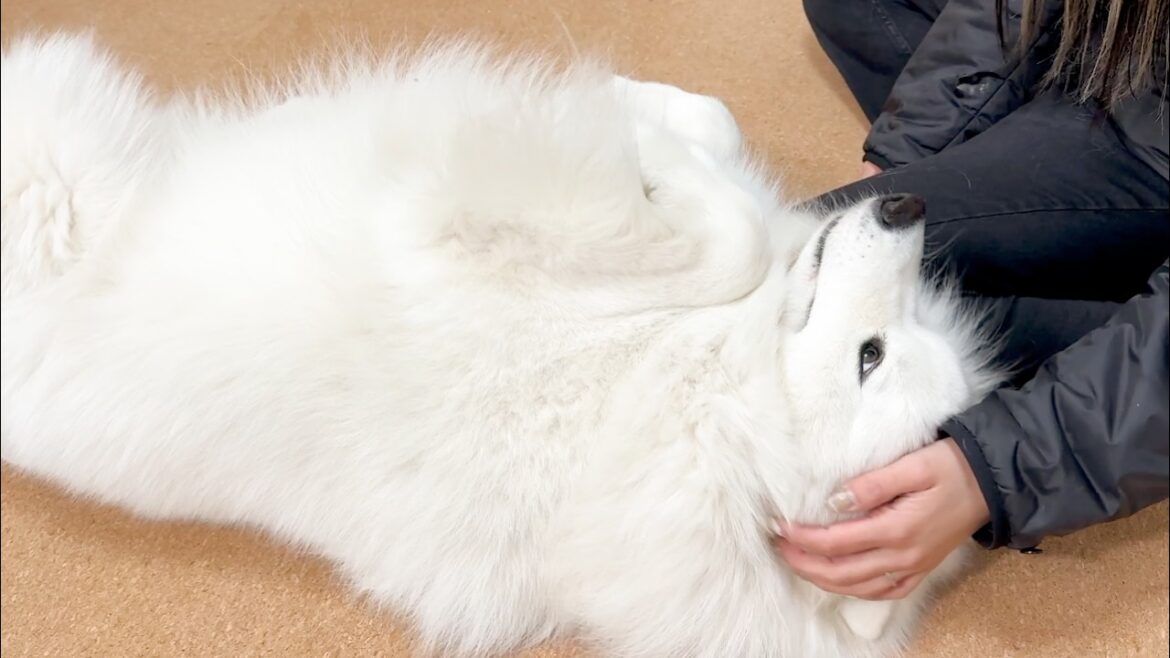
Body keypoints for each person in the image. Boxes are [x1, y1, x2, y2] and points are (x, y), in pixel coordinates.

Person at [772, 0, 1170, 601]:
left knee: (803, 263)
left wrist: (996, 468)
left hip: (1140, 131)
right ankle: (1114, 302)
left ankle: (1124, 345)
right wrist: (904, 155)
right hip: (1112, 57)